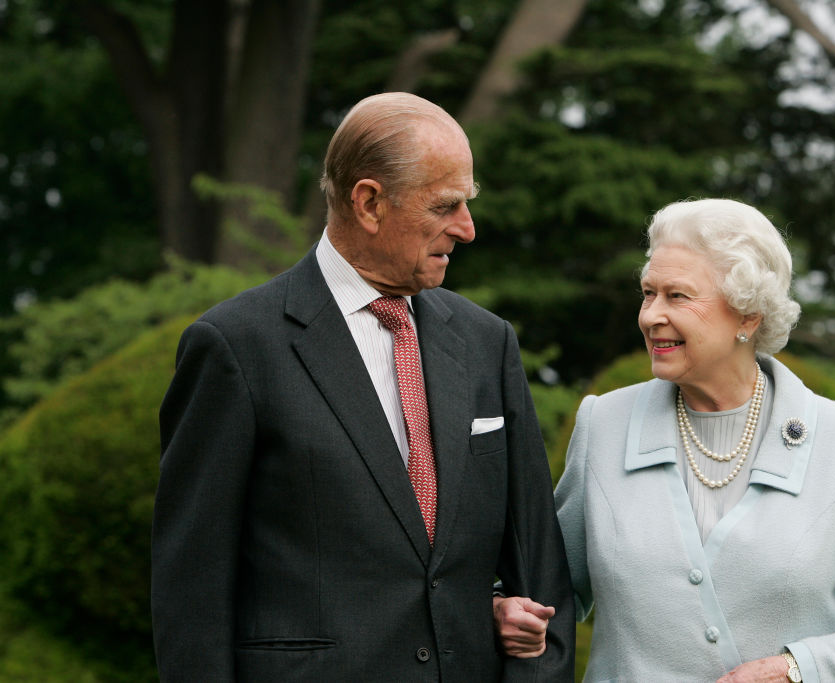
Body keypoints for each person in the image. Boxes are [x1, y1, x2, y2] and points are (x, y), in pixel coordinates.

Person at [152, 92, 574, 681]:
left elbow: (540, 571)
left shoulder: (487, 343)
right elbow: (190, 591)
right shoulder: (234, 347)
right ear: (370, 202)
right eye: (446, 205)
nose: (467, 229)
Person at [551, 198, 835, 681]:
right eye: (649, 294)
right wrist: (508, 608)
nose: (651, 316)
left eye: (677, 296)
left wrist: (799, 670)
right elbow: (550, 590)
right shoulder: (603, 424)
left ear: (748, 316)